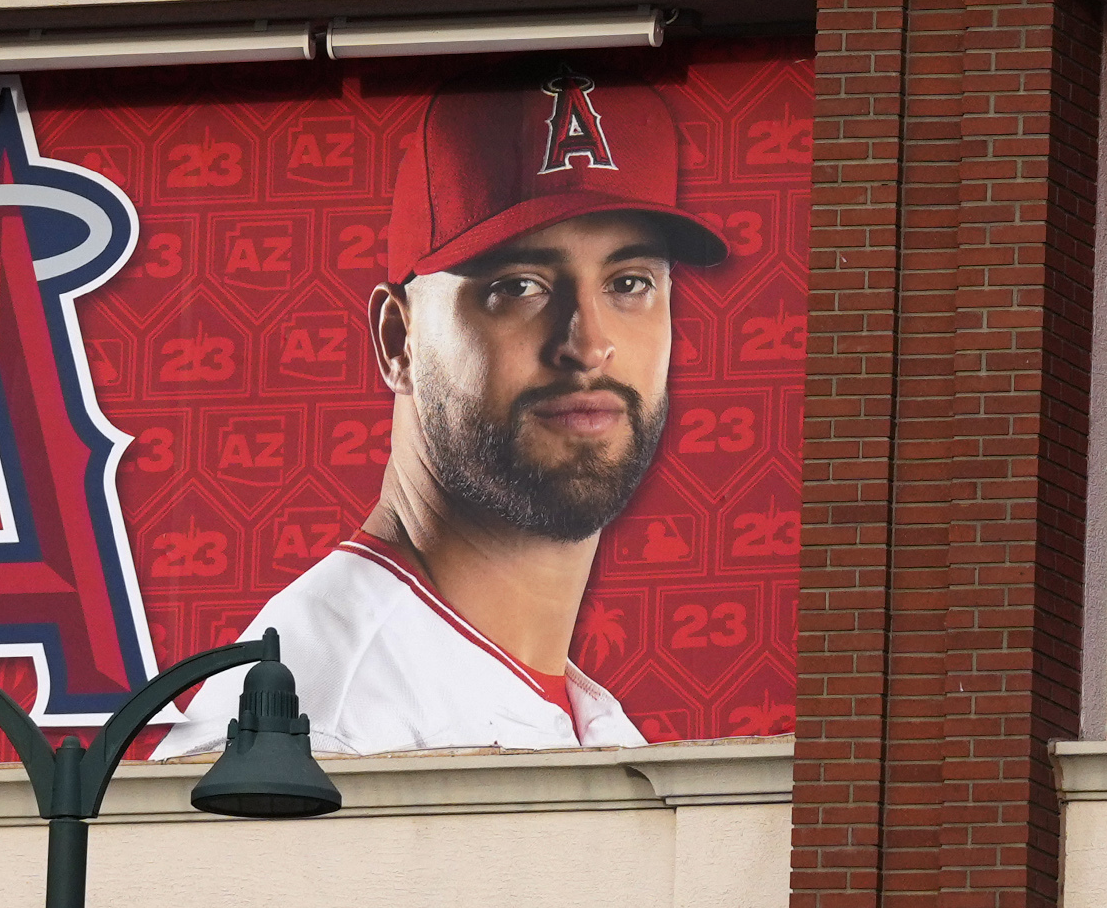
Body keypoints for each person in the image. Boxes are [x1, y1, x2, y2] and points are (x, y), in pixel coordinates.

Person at [157, 73, 728, 758]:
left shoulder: (563, 709)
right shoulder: (315, 730)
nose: (587, 344)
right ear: (398, 340)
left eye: (629, 282)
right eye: (519, 286)